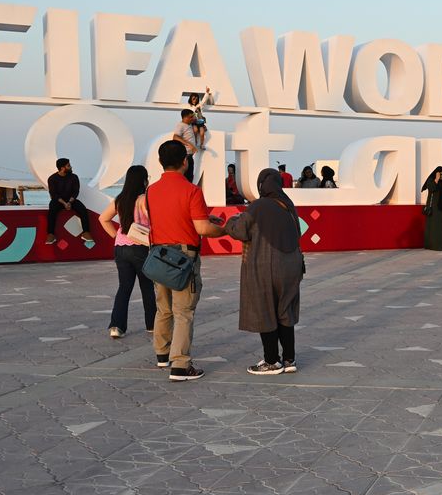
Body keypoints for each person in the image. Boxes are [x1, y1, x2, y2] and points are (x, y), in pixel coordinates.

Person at [214, 168, 305, 375]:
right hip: (292, 265)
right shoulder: (288, 204)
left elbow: (240, 231)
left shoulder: (258, 206)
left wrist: (232, 221)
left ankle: (272, 361)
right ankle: (289, 359)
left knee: (265, 309)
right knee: (285, 310)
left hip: (266, 264)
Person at [147, 140, 221, 382]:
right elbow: (203, 228)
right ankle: (180, 365)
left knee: (163, 308)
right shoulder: (192, 190)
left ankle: (162, 353)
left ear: (160, 162)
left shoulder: (151, 190)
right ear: (185, 162)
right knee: (184, 311)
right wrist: (225, 229)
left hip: (158, 255)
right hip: (184, 258)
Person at [98, 165, 156, 340]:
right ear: (143, 180)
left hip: (121, 248)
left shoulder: (120, 199)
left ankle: (116, 326)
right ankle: (152, 324)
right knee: (147, 287)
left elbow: (103, 218)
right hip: (141, 248)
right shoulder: (144, 199)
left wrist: (116, 235)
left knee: (124, 287)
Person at [44, 158, 94, 245]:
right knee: (52, 209)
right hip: (58, 201)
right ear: (62, 168)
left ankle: (86, 233)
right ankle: (51, 235)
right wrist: (64, 203)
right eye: (68, 165)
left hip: (71, 200)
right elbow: (53, 194)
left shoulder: (74, 177)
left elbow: (76, 192)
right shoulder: (52, 179)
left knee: (83, 209)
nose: (71, 167)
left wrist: (70, 202)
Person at [421, 166, 442, 251]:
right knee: (435, 227)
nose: (441, 175)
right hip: (435, 207)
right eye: (440, 173)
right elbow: (432, 188)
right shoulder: (431, 179)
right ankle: (434, 245)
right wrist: (436, 179)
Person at [172, 109, 200, 182]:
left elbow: (200, 120)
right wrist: (189, 144)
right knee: (185, 178)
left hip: (189, 155)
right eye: (191, 117)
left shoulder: (189, 124)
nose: (192, 118)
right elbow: (175, 137)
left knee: (189, 178)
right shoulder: (181, 125)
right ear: (185, 117)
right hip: (185, 156)